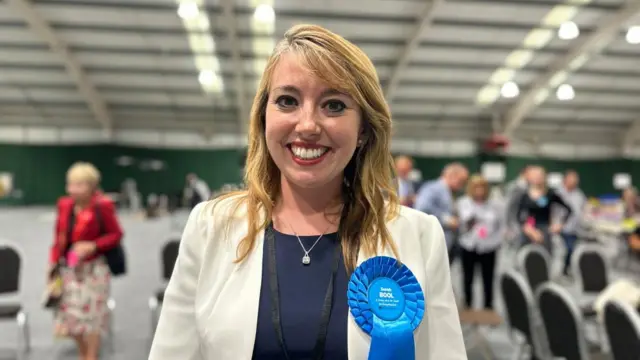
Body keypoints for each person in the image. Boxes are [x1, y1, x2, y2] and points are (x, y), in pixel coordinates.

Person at [149, 24, 466, 360]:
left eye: (333, 105)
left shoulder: (417, 235)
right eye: (288, 101)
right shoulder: (210, 226)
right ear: (263, 118)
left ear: (363, 130)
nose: (308, 125)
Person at [48, 162, 123, 360]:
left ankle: (90, 356)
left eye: (80, 185)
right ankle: (84, 352)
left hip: (95, 270)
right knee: (70, 320)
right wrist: (53, 264)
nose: (74, 189)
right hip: (70, 269)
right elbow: (59, 237)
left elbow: (116, 234)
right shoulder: (65, 206)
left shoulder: (103, 206)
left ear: (91, 186)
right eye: (71, 184)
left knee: (93, 319)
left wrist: (94, 245)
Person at [456, 175, 504, 310]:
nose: (479, 191)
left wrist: (498, 241)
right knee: (467, 278)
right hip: (468, 245)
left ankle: (488, 307)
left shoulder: (495, 205)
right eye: (476, 188)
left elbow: (500, 225)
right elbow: (463, 222)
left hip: (489, 247)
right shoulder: (463, 202)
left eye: (482, 188)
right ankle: (468, 305)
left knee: (488, 279)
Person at [414, 162, 469, 263]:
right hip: (433, 245)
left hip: (447, 245)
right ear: (451, 175)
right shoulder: (432, 188)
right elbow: (421, 209)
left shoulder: (450, 192)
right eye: (461, 181)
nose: (462, 185)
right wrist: (447, 220)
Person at [516, 166, 572, 254]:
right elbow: (518, 216)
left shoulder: (550, 194)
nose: (537, 177)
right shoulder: (524, 195)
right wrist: (528, 229)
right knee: (525, 260)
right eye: (535, 175)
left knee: (544, 260)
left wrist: (560, 225)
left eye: (540, 175)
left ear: (545, 177)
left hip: (544, 232)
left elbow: (568, 209)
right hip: (529, 232)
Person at [556, 170, 586, 276]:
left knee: (572, 250)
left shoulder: (579, 195)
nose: (574, 182)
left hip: (575, 228)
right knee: (568, 249)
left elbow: (582, 209)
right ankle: (562, 270)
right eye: (571, 180)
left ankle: (566, 269)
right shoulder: (557, 193)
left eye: (576, 180)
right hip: (562, 228)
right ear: (565, 180)